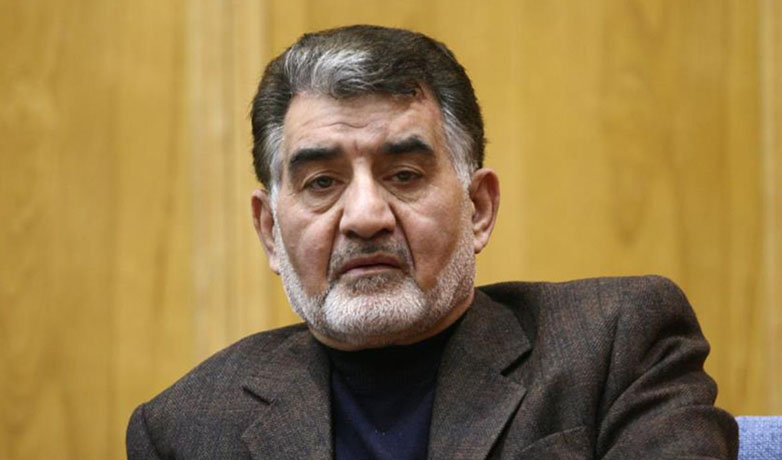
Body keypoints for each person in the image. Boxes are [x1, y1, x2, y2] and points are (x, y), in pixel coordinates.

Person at [126, 25, 738, 459]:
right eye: (322, 183)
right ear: (269, 230)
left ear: (479, 208)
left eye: (404, 175)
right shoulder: (185, 428)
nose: (365, 216)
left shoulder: (616, 345)